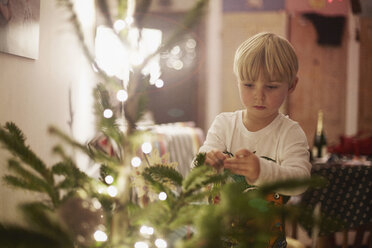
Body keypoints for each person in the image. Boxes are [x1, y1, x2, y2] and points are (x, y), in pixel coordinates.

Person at [198, 32, 311, 247]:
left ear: (291, 85)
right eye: (248, 85)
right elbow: (200, 163)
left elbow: (300, 181)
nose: (259, 95)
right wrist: (207, 161)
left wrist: (262, 171)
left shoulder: (290, 133)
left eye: (271, 87)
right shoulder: (224, 124)